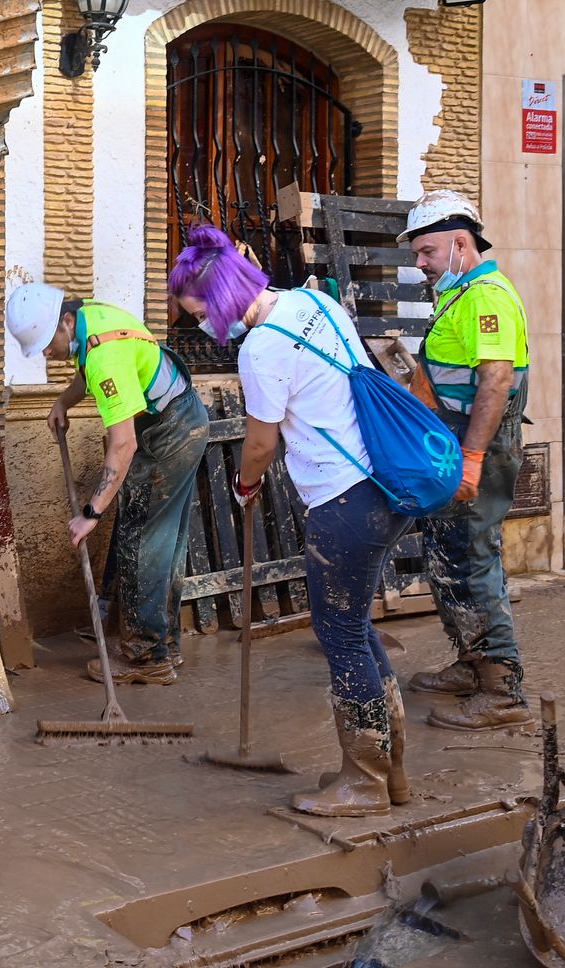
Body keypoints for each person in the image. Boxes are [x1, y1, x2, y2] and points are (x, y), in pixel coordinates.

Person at [170, 225, 412, 818]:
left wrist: (244, 485)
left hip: (342, 500)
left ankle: (364, 781)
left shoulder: (260, 349)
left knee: (342, 635)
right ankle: (389, 770)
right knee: (357, 628)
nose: (202, 325)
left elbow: (259, 443)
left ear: (223, 298)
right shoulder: (314, 301)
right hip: (381, 486)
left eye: (199, 311)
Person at [6, 281, 209, 684]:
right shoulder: (89, 317)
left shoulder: (104, 358)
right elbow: (87, 369)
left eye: (48, 343)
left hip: (168, 432)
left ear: (65, 322)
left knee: (142, 543)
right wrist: (63, 401)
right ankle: (163, 647)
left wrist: (90, 513)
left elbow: (123, 444)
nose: (46, 352)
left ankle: (146, 658)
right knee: (161, 540)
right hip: (178, 418)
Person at [399, 190, 533, 731]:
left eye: (426, 251)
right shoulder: (459, 295)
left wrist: (473, 458)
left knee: (475, 558)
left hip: (481, 445)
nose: (419, 263)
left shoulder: (487, 298)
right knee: (449, 554)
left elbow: (496, 382)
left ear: (460, 243)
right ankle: (472, 663)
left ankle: (503, 689)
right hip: (454, 444)